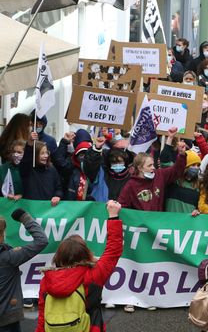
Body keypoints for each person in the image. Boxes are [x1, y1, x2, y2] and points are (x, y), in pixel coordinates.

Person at [35, 200, 123, 332]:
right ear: (85, 253)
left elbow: (43, 315)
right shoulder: (93, 275)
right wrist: (113, 216)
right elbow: (113, 250)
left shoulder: (47, 280)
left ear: (59, 256)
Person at [0, 209, 48, 332]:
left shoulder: (8, 255)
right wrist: (24, 217)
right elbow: (41, 240)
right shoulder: (9, 257)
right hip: (6, 319)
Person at [118, 128, 187, 211]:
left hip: (157, 222)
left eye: (153, 164)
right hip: (140, 223)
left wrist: (182, 155)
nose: (153, 167)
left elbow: (176, 171)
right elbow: (122, 206)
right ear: (140, 168)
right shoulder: (131, 185)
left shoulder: (159, 175)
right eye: (149, 165)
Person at [19, 131, 62, 204]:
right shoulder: (27, 169)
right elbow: (26, 160)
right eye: (42, 153)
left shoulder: (51, 169)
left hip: (48, 210)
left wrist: (57, 195)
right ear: (34, 155)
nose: (46, 156)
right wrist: (29, 144)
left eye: (46, 152)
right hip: (31, 209)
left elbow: (58, 188)